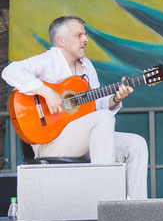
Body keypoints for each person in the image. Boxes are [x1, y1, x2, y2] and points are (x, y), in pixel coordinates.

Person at [1, 16, 148, 199]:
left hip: (80, 141)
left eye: (85, 35)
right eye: (79, 35)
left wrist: (115, 99)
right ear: (60, 41)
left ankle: (138, 209)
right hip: (49, 142)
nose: (85, 39)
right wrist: (46, 91)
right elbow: (10, 71)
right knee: (103, 117)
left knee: (136, 144)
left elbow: (97, 108)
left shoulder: (87, 66)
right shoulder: (49, 61)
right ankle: (107, 201)